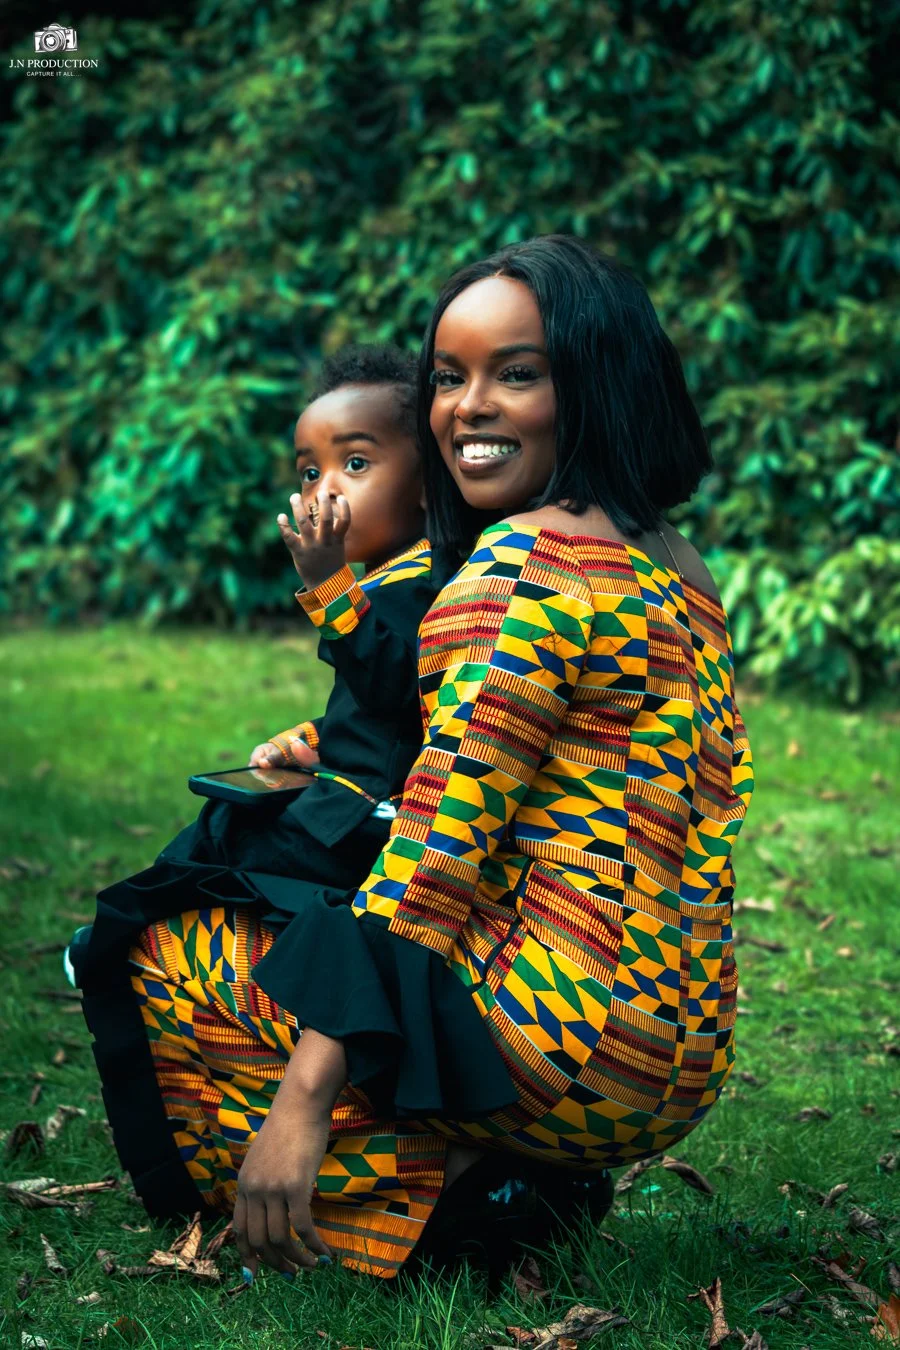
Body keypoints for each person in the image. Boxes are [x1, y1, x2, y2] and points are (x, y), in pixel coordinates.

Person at [92, 236, 755, 1286]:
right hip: (679, 1043)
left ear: (595, 378)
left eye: (517, 373)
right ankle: (500, 1171)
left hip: (556, 1039)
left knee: (162, 947)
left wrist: (304, 1101)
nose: (467, 408)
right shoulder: (679, 563)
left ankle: (441, 1217)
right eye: (449, 378)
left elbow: (436, 855)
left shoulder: (522, 564)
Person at [78, 344, 457, 1214]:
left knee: (221, 835)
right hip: (351, 790)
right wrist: (316, 740)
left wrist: (326, 587)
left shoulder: (430, 584)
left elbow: (400, 679)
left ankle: (117, 935)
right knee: (230, 814)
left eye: (355, 464)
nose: (326, 491)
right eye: (311, 469)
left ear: (430, 482)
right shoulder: (396, 578)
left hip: (371, 827)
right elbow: (388, 715)